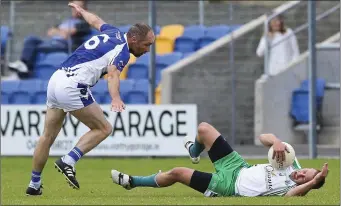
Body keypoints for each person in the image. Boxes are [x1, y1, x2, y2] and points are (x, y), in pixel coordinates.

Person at [25, 2, 155, 196]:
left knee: (47, 136)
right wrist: (116, 98)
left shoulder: (113, 32)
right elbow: (112, 74)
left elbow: (95, 21)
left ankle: (34, 184)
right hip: (72, 86)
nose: (147, 50)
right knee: (104, 128)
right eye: (147, 45)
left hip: (56, 79)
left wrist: (81, 11)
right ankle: (68, 160)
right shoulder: (123, 51)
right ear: (134, 39)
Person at [111, 122, 328, 197]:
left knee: (178, 172)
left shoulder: (294, 190)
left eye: (303, 178)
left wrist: (312, 182)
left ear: (306, 184)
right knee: (204, 129)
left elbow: (291, 196)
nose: (299, 174)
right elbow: (263, 138)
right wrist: (277, 141)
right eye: (305, 171)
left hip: (229, 186)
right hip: (238, 166)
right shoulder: (291, 159)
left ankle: (132, 182)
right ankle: (195, 152)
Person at [8, 0, 91, 79]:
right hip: (52, 42)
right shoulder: (66, 21)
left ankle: (22, 72)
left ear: (83, 9)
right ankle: (23, 64)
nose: (75, 9)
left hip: (64, 45)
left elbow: (68, 33)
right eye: (73, 7)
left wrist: (59, 32)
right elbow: (50, 32)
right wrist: (61, 32)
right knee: (31, 39)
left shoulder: (84, 23)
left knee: (34, 47)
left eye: (78, 7)